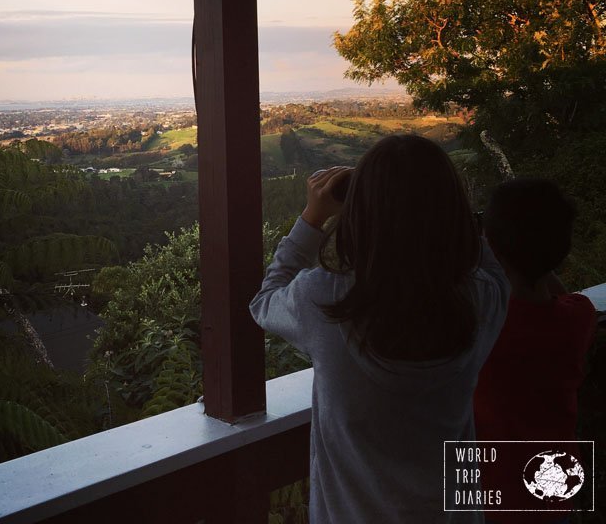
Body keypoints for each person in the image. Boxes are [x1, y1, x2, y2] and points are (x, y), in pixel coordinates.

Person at [250, 134, 510, 523]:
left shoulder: (326, 300)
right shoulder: (482, 299)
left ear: (360, 213)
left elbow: (265, 301)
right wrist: (441, 209)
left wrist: (312, 218)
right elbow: (486, 261)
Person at [474, 178, 598, 524]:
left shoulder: (483, 326)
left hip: (492, 494)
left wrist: (483, 248)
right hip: (555, 484)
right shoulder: (580, 316)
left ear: (493, 247)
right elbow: (553, 292)